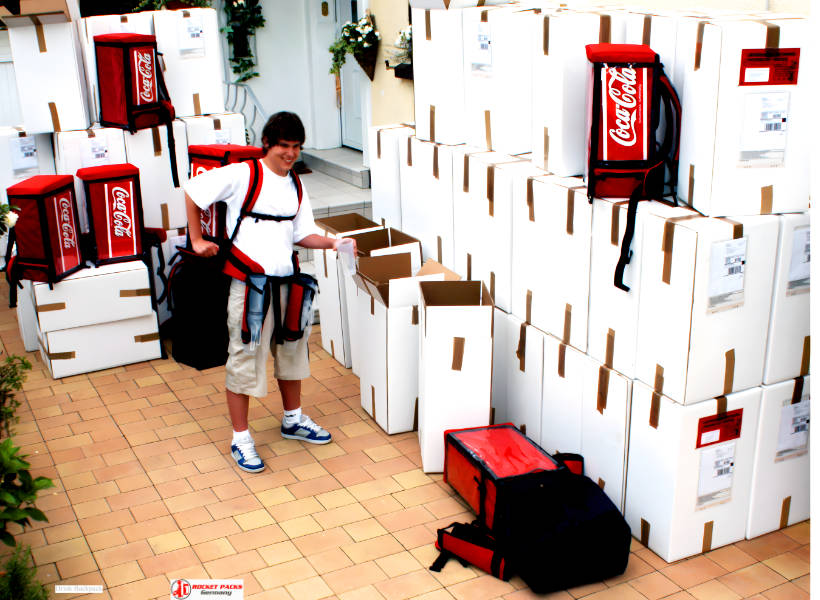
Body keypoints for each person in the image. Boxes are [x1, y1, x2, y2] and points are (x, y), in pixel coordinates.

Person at [184, 111, 355, 473]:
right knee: (244, 360)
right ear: (267, 144)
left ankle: (292, 419)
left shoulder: (296, 184)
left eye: (296, 147)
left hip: (288, 283)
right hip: (249, 285)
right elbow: (193, 191)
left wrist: (334, 243)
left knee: (292, 354)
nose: (290, 154)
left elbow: (300, 234)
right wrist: (196, 240)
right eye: (283, 147)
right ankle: (240, 438)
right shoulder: (245, 173)